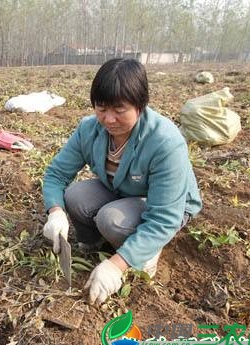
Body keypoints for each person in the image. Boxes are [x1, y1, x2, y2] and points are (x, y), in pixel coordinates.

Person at [42, 58, 202, 304]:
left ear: (140, 105)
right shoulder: (89, 129)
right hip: (121, 189)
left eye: (119, 110)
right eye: (101, 108)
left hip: (166, 205)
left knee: (111, 220)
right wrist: (55, 211)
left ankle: (143, 253)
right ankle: (96, 243)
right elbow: (57, 174)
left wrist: (116, 266)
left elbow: (164, 217)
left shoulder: (164, 142)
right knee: (74, 196)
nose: (109, 119)